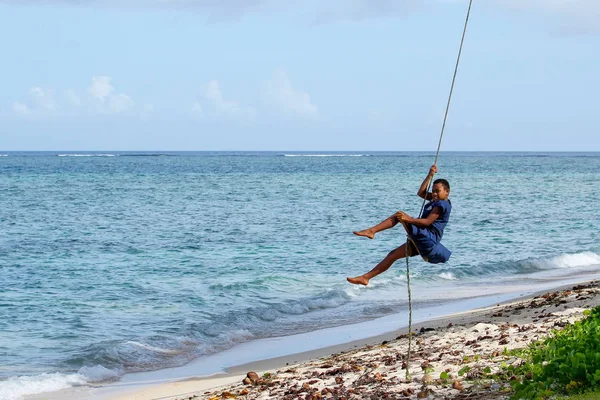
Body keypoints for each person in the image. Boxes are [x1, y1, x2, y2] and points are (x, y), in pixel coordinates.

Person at [347, 165, 452, 286]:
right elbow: (421, 193)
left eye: (437, 191)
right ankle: (366, 278)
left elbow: (427, 222)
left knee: (399, 216)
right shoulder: (435, 200)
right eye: (433, 191)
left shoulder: (441, 205)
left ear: (447, 191)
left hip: (427, 238)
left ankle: (372, 231)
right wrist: (429, 175)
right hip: (422, 237)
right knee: (393, 254)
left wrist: (409, 219)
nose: (434, 194)